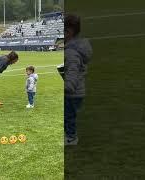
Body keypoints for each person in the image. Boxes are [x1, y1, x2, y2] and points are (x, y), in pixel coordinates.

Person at [64, 14, 93, 145]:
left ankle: (71, 138)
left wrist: (67, 86)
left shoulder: (71, 52)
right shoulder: (75, 48)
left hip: (72, 92)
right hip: (77, 90)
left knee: (68, 116)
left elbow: (72, 71)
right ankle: (69, 135)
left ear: (68, 32)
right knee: (69, 116)